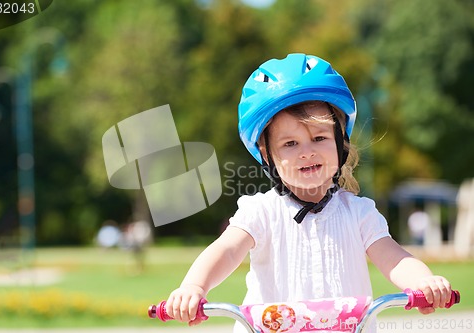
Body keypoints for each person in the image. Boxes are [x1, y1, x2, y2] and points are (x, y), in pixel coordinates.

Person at [164, 54, 453, 332]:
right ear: (267, 154)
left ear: (341, 143)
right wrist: (193, 287)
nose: (307, 152)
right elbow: (226, 251)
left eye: (319, 138)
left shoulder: (359, 214)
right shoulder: (261, 212)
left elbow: (395, 259)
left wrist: (424, 282)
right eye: (290, 143)